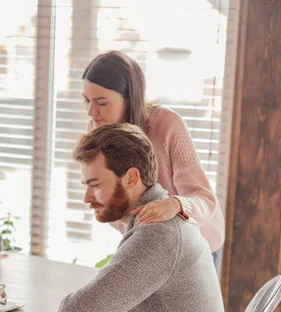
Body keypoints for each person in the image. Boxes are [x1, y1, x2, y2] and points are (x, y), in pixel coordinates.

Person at [32, 124, 228, 312]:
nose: (87, 198)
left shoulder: (158, 236)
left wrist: (80, 297)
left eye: (95, 185)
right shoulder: (154, 215)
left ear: (131, 177)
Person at [82, 50, 225, 273]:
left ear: (130, 99)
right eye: (87, 101)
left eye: (101, 102)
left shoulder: (167, 125)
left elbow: (204, 199)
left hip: (198, 240)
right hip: (152, 243)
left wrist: (175, 204)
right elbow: (110, 196)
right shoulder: (97, 129)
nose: (92, 112)